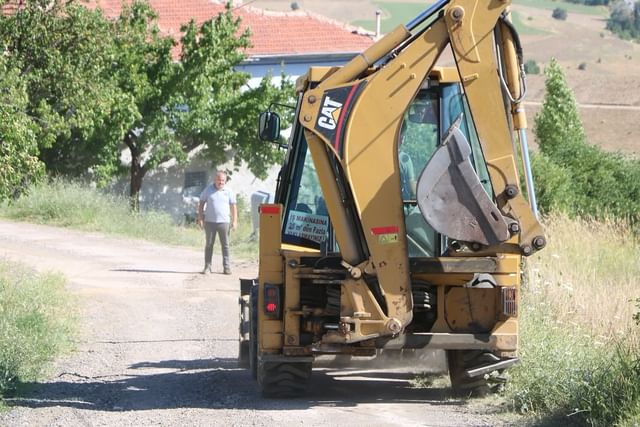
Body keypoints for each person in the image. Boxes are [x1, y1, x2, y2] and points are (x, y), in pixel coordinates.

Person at [197, 171, 238, 275]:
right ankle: (207, 267)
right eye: (219, 180)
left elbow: (233, 207)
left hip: (224, 222)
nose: (221, 182)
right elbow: (201, 204)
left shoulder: (228, 191)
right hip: (210, 222)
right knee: (209, 245)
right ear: (215, 180)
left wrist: (235, 221)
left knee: (225, 245)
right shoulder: (208, 190)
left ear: (225, 181)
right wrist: (200, 218)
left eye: (223, 180)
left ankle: (227, 267)